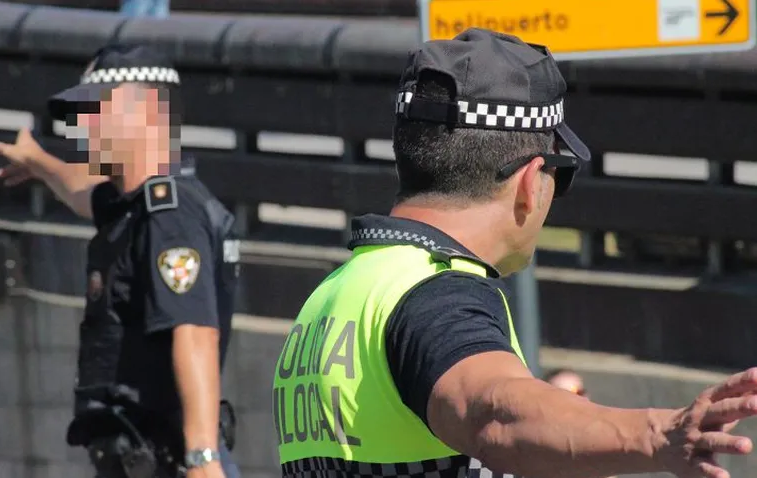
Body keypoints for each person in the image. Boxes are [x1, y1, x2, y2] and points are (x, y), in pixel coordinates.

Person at [270, 28, 757, 478]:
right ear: (529, 181)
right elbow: (494, 412)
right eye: (560, 176)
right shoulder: (437, 295)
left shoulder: (335, 297)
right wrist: (655, 435)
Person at [0, 43, 241, 478]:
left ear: (147, 112)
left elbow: (196, 332)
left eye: (95, 110)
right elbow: (80, 192)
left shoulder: (171, 216)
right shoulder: (131, 205)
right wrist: (38, 162)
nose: (81, 125)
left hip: (170, 462)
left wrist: (203, 457)